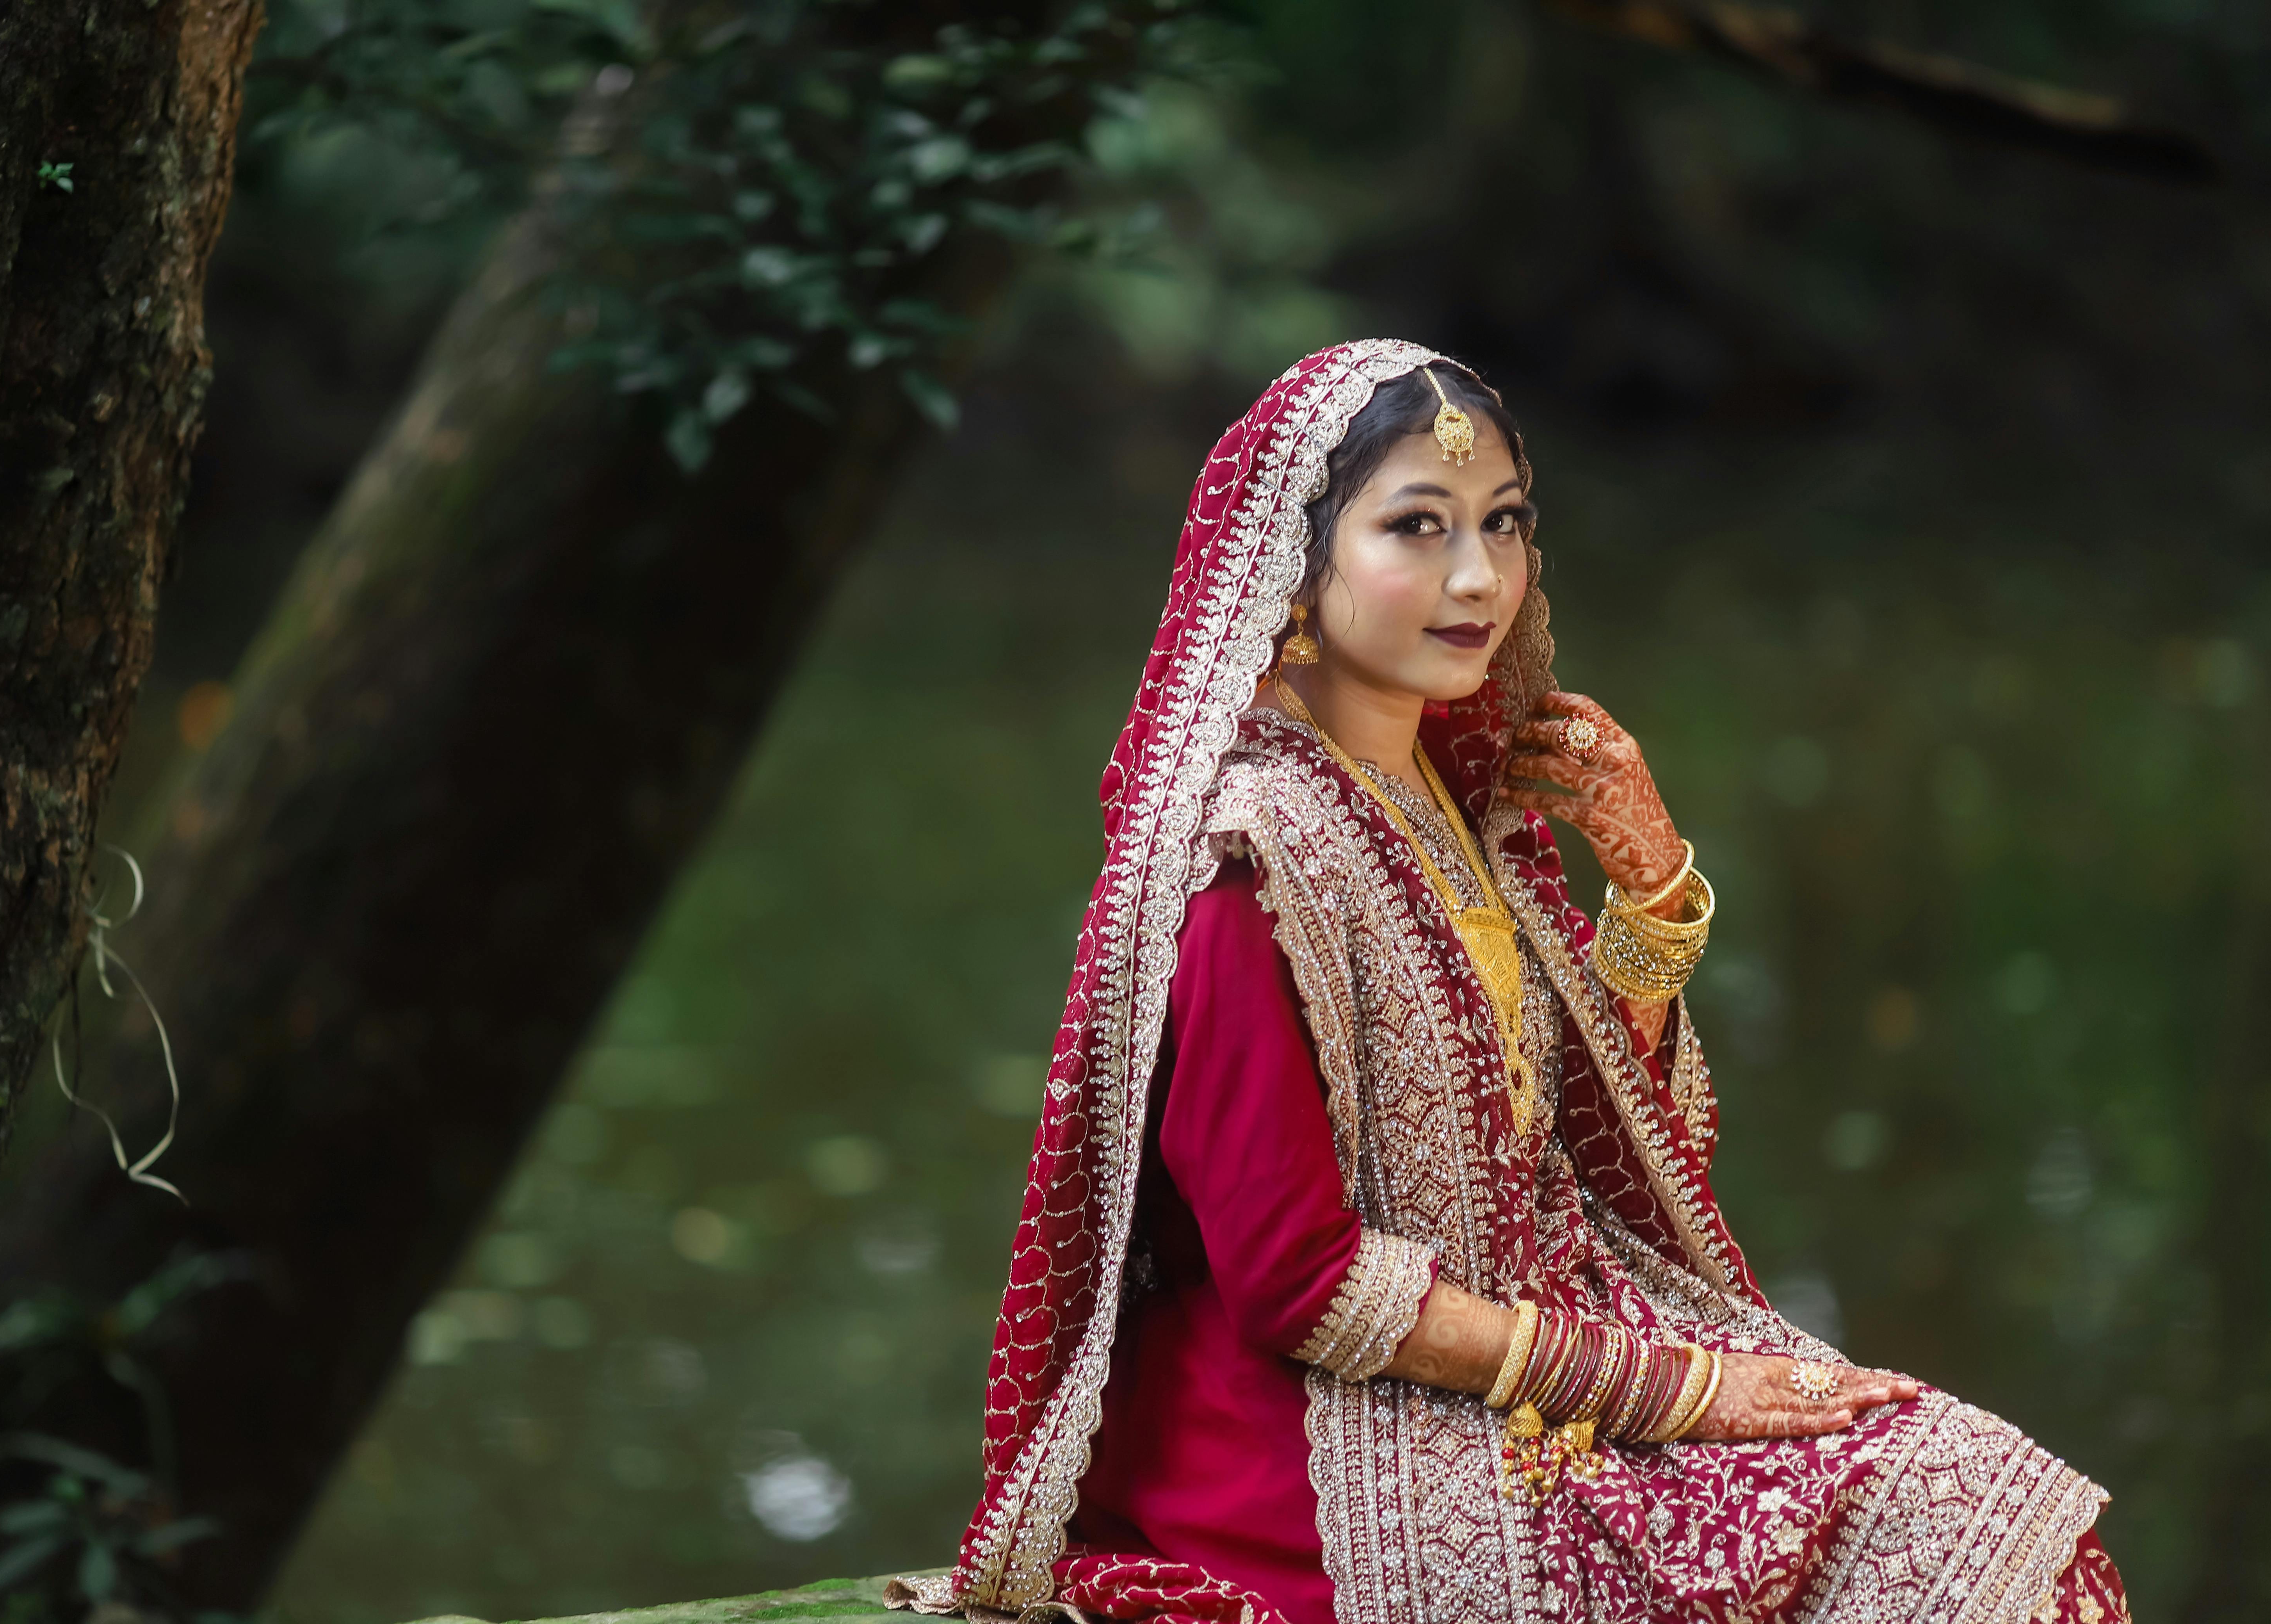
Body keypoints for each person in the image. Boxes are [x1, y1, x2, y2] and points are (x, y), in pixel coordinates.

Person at [888, 340, 2125, 1624]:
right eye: (1417, 528)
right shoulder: (1247, 864)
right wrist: (1681, 1394)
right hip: (1320, 1445)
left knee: (1996, 1512)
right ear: (1293, 569)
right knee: (1945, 1547)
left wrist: (1650, 889)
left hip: (1549, 1356)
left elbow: (1611, 1151)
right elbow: (1295, 1283)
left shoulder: (1456, 801)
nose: (1477, 578)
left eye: (1504, 524)